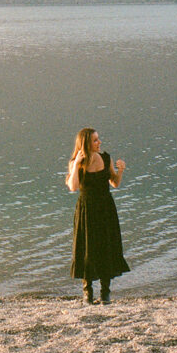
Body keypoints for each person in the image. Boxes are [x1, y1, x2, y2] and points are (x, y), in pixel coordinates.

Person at [66, 127, 130, 304]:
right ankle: (87, 292)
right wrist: (76, 165)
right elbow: (73, 187)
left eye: (98, 139)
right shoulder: (76, 163)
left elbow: (115, 183)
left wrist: (121, 170)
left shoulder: (106, 158)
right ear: (86, 143)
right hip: (86, 209)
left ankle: (105, 293)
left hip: (105, 208)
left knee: (106, 247)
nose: (99, 142)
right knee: (86, 248)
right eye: (95, 140)